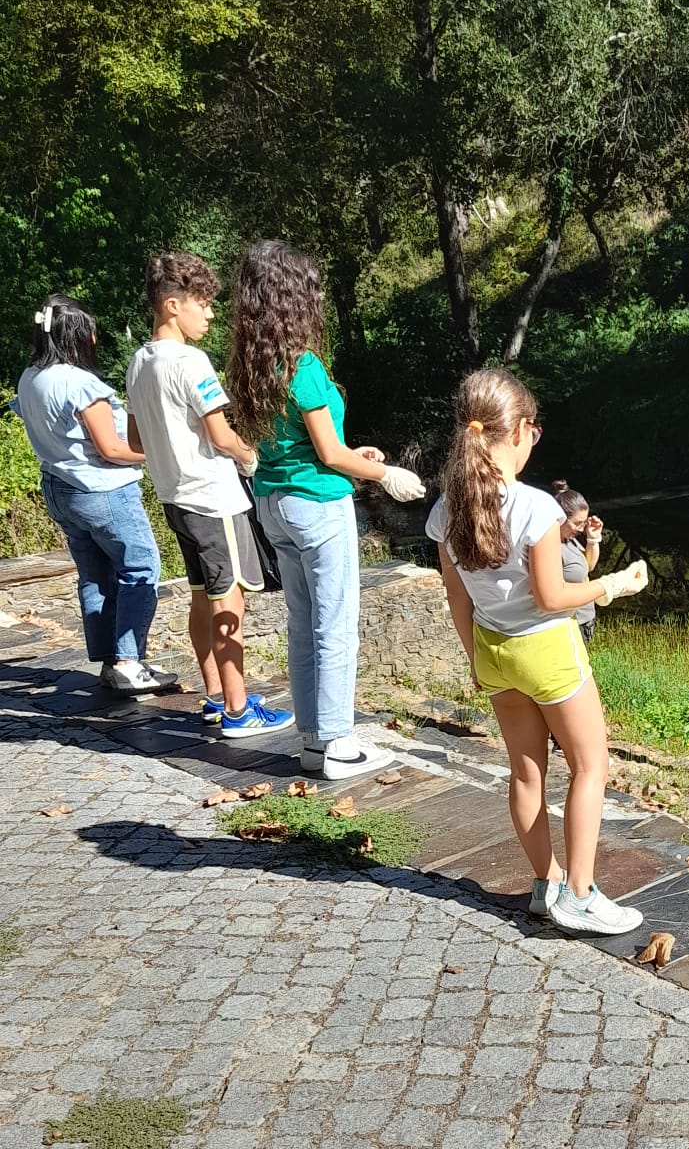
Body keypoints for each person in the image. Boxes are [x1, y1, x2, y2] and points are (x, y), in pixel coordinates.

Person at [428, 368, 650, 935]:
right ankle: (580, 895)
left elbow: (457, 596)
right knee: (590, 765)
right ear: (522, 430)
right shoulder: (536, 507)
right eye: (535, 432)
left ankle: (545, 883)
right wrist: (612, 584)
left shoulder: (447, 508)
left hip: (493, 651)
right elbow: (552, 598)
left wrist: (475, 660)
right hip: (548, 651)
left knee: (526, 773)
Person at [227, 240, 425, 780]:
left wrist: (353, 456)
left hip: (274, 503)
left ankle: (313, 741)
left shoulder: (251, 364)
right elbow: (329, 455)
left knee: (302, 623)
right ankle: (340, 743)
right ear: (295, 298)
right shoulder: (305, 365)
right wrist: (385, 474)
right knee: (335, 625)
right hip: (317, 505)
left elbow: (297, 444)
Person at [126, 252, 293, 741]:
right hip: (214, 499)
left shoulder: (138, 362)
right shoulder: (190, 360)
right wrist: (250, 455)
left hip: (175, 499)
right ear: (173, 305)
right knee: (229, 601)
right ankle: (239, 710)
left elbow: (136, 441)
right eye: (203, 304)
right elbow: (221, 435)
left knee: (202, 596)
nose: (211, 314)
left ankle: (217, 696)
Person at [12, 296, 176, 695]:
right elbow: (112, 449)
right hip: (102, 491)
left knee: (96, 574)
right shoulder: (81, 384)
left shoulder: (30, 377)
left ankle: (110, 660)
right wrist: (162, 453)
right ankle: (129, 662)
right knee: (141, 568)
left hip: (60, 487)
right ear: (79, 335)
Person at [552, 482, 603, 644]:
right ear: (560, 518)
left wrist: (593, 538)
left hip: (584, 620)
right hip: (568, 624)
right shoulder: (550, 547)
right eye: (577, 523)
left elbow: (588, 566)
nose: (581, 529)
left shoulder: (569, 540)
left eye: (584, 523)